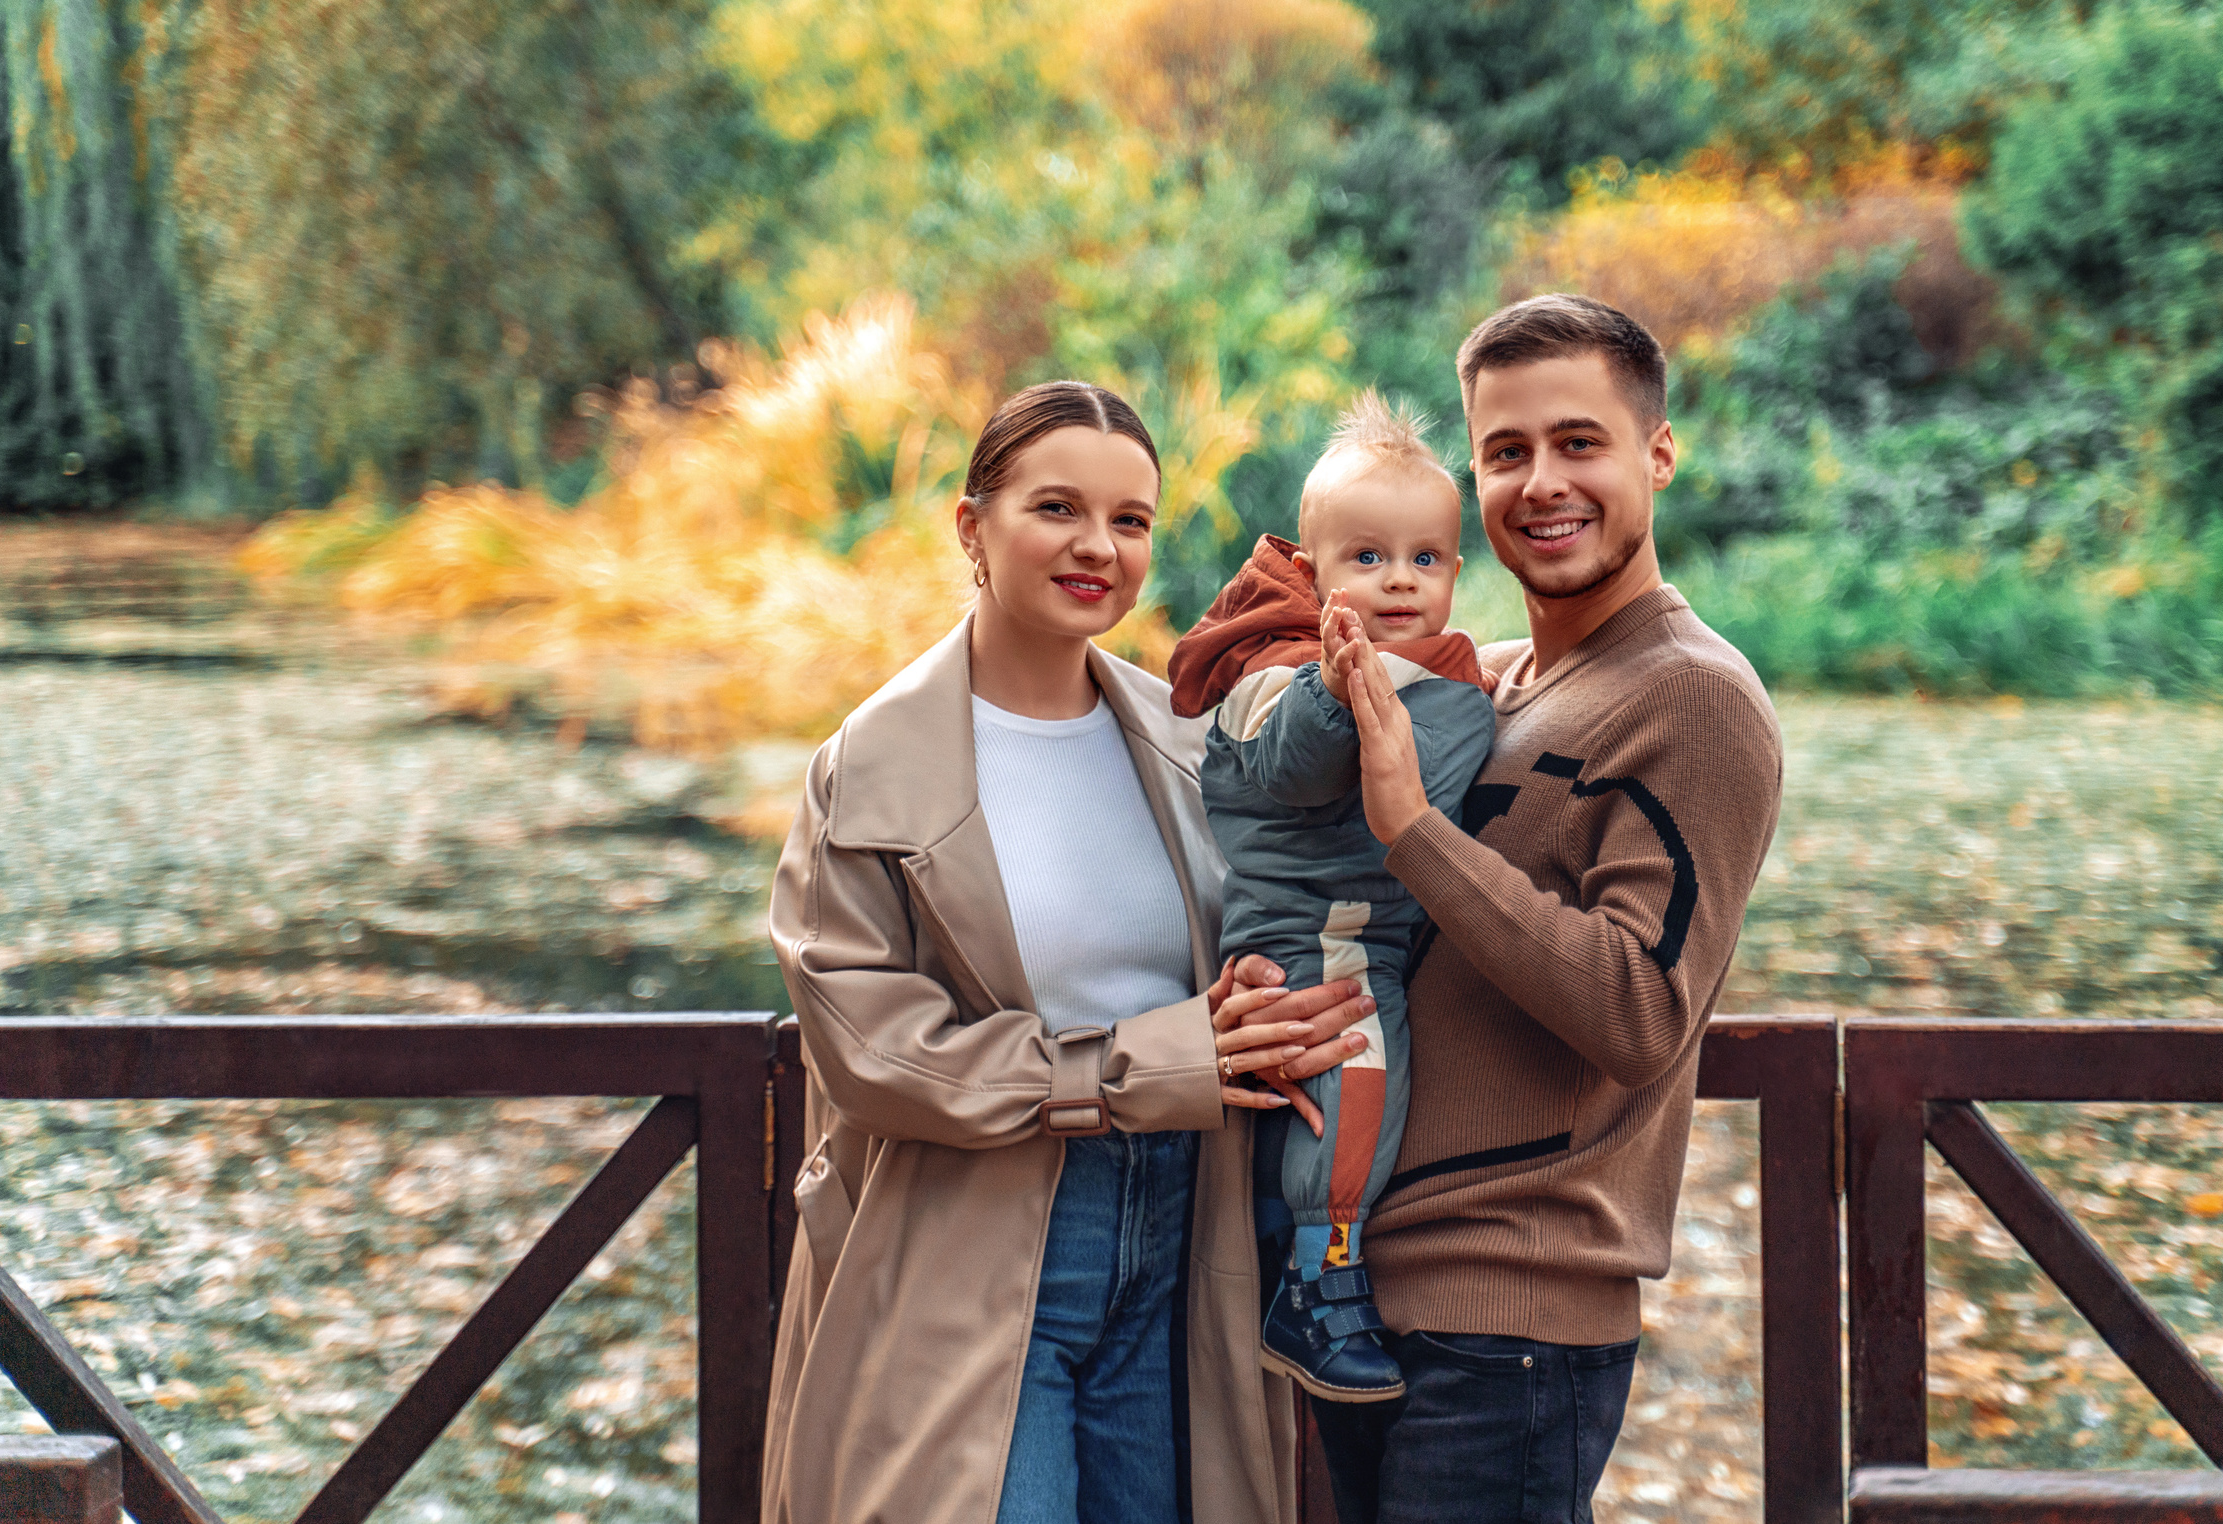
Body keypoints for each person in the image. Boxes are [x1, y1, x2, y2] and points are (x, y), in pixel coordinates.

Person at [762, 380, 1376, 1524]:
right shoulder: (871, 762)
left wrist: (1261, 994)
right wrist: (1154, 1059)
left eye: (1129, 520)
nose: (1098, 546)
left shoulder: (1188, 737)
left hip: (1185, 1244)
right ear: (971, 526)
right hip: (969, 1244)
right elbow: (874, 1054)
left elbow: (1270, 917)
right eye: (1057, 508)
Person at [1238, 295, 1787, 1524]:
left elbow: (1642, 1012)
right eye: (1505, 451)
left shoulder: (1692, 697)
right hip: (1359, 1295)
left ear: (1656, 452)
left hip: (1512, 1325)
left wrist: (1414, 830)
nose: (1542, 482)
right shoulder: (1479, 683)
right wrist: (1262, 985)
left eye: (1578, 442)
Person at [1163, 393, 1497, 1405]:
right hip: (1326, 933)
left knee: (1324, 1096)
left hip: (1333, 927)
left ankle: (1295, 1258)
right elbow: (1291, 773)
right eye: (1367, 558)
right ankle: (1319, 1282)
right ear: (1312, 575)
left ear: (1456, 572)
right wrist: (1333, 686)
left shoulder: (1446, 679)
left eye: (1425, 559)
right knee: (1359, 1076)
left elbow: (1428, 790)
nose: (1399, 579)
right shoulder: (1279, 671)